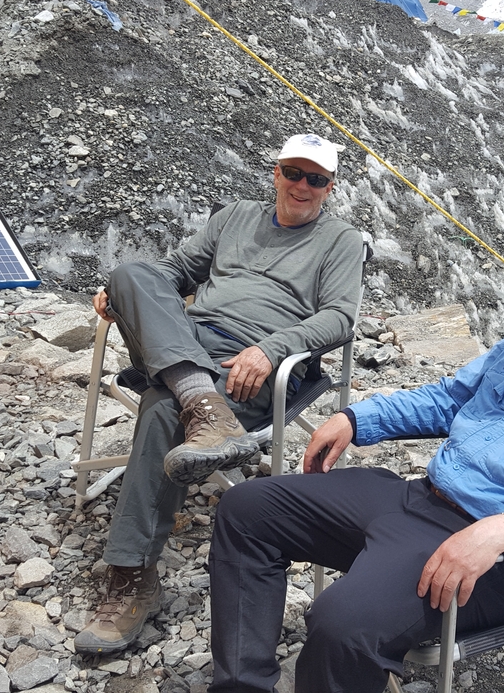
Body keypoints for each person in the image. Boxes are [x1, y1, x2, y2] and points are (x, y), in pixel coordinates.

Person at [207, 223, 504, 692]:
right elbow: (448, 399)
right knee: (247, 510)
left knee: (342, 624)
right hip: (419, 499)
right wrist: (356, 418)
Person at [73, 133, 365, 655]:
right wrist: (126, 293)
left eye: (316, 179)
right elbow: (176, 271)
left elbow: (340, 317)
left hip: (251, 362)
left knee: (163, 409)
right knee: (129, 272)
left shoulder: (340, 241)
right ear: (275, 172)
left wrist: (273, 348)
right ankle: (203, 404)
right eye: (294, 173)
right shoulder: (234, 216)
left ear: (330, 187)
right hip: (188, 338)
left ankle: (132, 575)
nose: (302, 185)